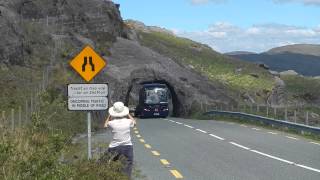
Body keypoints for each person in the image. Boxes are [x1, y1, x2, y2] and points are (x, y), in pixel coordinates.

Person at [104, 102, 136, 179]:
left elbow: (105, 125)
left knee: (112, 164)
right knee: (128, 165)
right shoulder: (128, 121)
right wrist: (128, 114)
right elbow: (134, 122)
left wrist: (109, 116)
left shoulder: (112, 123)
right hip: (127, 146)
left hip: (114, 147)